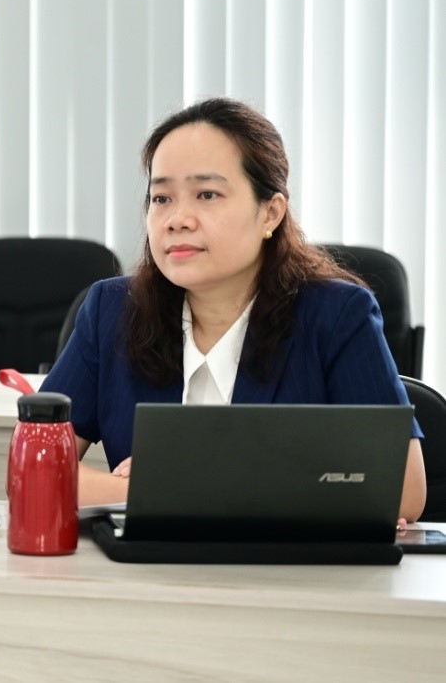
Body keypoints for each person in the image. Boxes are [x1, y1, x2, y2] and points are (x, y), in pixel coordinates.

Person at [41, 97, 426, 521]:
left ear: (270, 213)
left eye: (207, 194)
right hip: (151, 560)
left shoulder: (337, 315)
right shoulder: (113, 311)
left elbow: (403, 490)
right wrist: (138, 490)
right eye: (161, 198)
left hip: (282, 563)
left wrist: (176, 484)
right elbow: (33, 468)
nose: (177, 219)